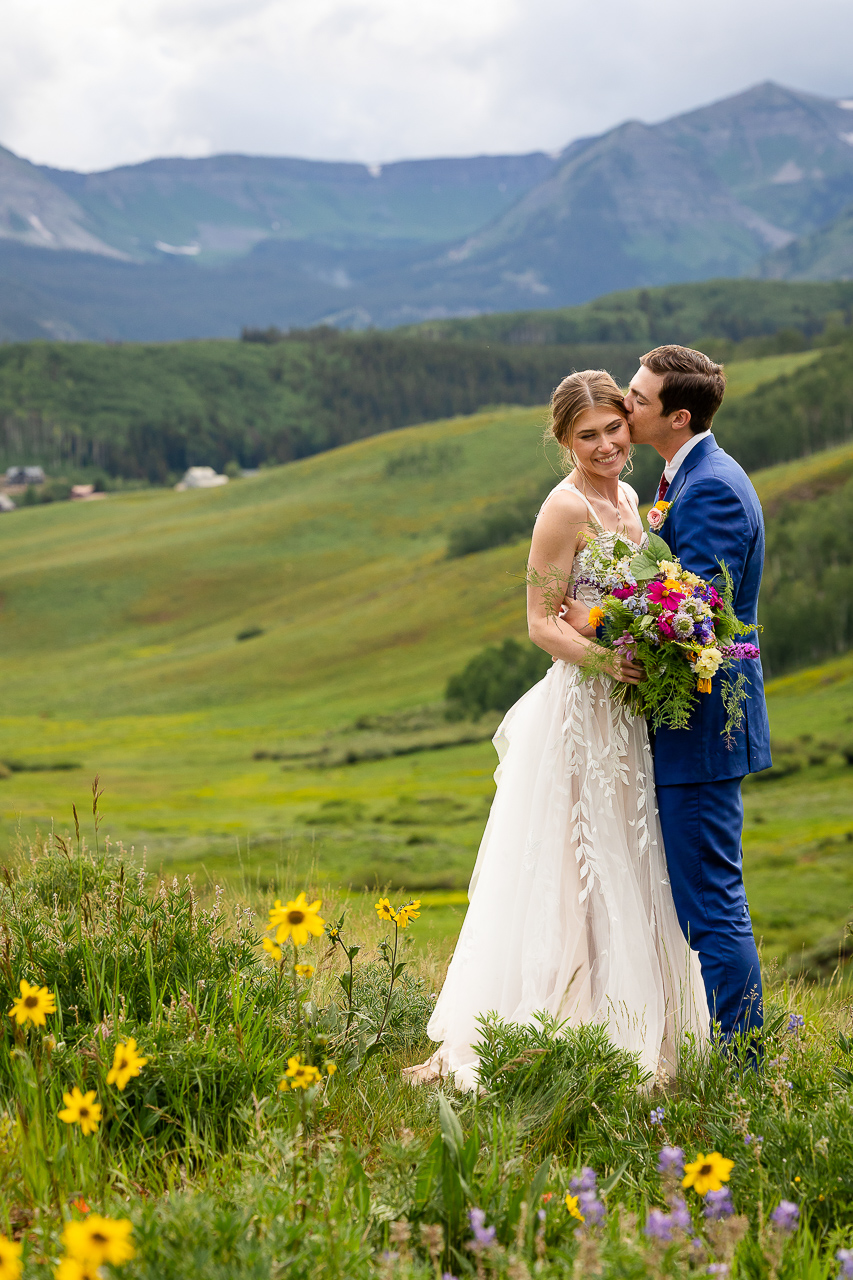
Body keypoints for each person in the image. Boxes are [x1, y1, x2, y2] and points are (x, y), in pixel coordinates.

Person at [403, 370, 708, 1092]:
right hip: (584, 709)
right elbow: (541, 625)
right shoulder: (561, 510)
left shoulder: (631, 498)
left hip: (630, 714)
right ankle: (564, 1018)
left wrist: (647, 637)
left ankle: (641, 1019)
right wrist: (609, 659)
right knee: (580, 861)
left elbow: (632, 596)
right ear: (563, 440)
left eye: (611, 428)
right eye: (586, 436)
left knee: (638, 853)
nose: (604, 446)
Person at [621, 345, 770, 1046]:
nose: (626, 406)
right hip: (688, 714)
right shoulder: (683, 474)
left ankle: (744, 1064)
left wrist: (616, 626)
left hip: (706, 719)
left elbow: (695, 612)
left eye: (639, 399)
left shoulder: (709, 485)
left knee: (711, 901)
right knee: (699, 897)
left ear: (677, 417)